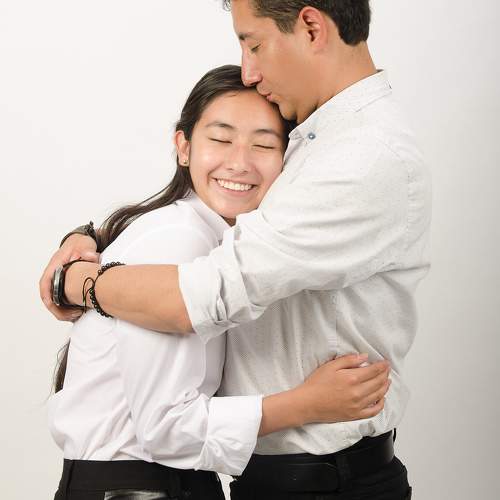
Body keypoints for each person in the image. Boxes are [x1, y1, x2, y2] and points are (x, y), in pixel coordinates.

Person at [41, 1, 432, 499]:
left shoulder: (361, 157)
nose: (249, 71)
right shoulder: (315, 137)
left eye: (254, 44)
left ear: (311, 27)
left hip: (324, 481)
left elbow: (203, 294)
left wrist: (79, 283)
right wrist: (90, 239)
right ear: (183, 145)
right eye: (221, 139)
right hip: (251, 477)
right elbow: (206, 222)